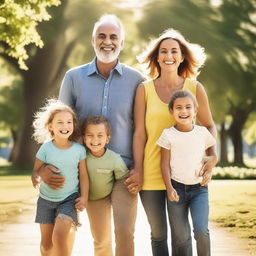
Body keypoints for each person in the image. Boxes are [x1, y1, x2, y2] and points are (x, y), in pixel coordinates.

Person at [34, 14, 145, 256]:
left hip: (125, 172)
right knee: (101, 239)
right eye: (102, 36)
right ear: (93, 40)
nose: (108, 41)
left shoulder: (137, 80)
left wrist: (140, 167)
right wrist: (43, 167)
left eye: (114, 37)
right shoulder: (73, 77)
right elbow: (59, 125)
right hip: (89, 171)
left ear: (122, 43)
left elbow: (142, 129)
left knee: (125, 232)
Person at [125, 28, 218, 255]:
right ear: (156, 57)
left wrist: (213, 156)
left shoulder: (195, 88)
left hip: (184, 175)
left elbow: (209, 125)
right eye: (163, 51)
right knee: (158, 234)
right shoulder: (144, 89)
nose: (169, 55)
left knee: (181, 236)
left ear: (182, 56)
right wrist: (138, 169)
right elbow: (139, 133)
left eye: (174, 51)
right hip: (151, 173)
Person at [157, 90, 217, 256]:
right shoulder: (168, 135)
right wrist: (169, 188)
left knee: (201, 231)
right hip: (177, 189)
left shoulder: (203, 133)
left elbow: (212, 157)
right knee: (181, 237)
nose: (183, 111)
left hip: (199, 190)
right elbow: (164, 164)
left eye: (188, 107)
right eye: (178, 108)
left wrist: (208, 171)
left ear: (195, 111)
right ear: (171, 111)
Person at [31, 99, 89, 256]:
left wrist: (84, 197)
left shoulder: (79, 150)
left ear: (73, 125)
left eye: (69, 122)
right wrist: (37, 178)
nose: (65, 126)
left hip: (69, 199)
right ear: (50, 126)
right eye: (60, 122)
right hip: (45, 200)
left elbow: (83, 175)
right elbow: (35, 172)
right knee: (46, 246)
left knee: (59, 237)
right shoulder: (45, 148)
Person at [82, 115, 130, 256]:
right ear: (84, 138)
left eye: (100, 135)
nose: (95, 140)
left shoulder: (114, 158)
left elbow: (123, 178)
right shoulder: (81, 156)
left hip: (107, 197)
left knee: (112, 235)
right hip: (91, 200)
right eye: (90, 135)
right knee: (101, 239)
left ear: (107, 138)